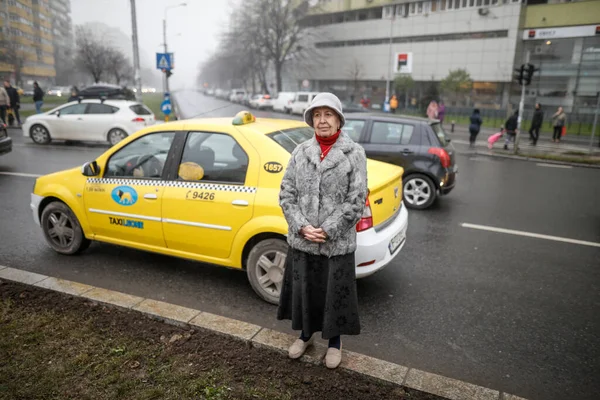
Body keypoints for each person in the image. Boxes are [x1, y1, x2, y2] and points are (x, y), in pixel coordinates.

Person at [277, 92, 368, 370]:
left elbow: (357, 199)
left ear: (339, 120)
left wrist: (327, 230)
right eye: (317, 115)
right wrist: (302, 226)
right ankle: (305, 336)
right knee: (306, 291)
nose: (322, 120)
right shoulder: (300, 152)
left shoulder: (355, 154)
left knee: (334, 294)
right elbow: (286, 193)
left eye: (328, 114)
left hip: (336, 244)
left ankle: (335, 343)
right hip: (303, 240)